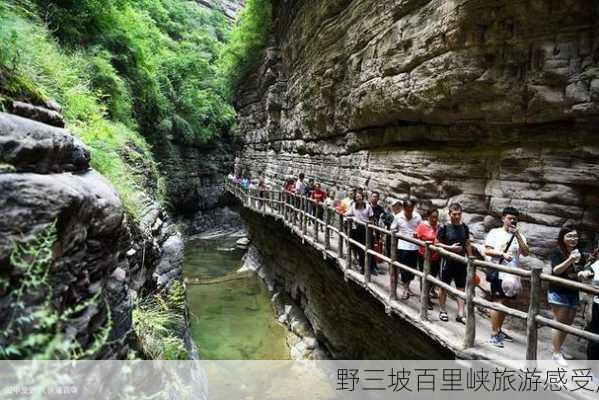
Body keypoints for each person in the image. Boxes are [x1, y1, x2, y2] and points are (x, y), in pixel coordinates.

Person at [484, 207, 529, 348]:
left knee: (506, 303)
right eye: (510, 218)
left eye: (515, 219)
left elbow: (526, 253)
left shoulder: (519, 235)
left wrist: (518, 237)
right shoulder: (495, 233)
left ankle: (499, 330)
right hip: (499, 272)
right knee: (498, 302)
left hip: (513, 275)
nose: (512, 221)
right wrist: (502, 255)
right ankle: (493, 334)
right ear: (503, 218)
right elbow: (487, 250)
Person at [547, 226, 586, 367]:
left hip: (573, 291)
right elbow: (556, 271)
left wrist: (583, 273)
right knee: (560, 321)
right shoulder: (557, 251)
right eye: (569, 236)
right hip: (558, 290)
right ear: (562, 237)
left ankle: (558, 348)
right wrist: (570, 259)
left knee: (568, 322)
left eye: (575, 236)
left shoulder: (579, 252)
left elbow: (579, 270)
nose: (573, 239)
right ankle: (556, 353)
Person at [436, 202, 472, 324]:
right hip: (447, 261)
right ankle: (442, 310)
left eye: (459, 214)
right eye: (454, 214)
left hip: (461, 261)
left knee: (461, 288)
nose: (457, 216)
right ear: (450, 214)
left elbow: (467, 243)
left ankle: (461, 314)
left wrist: (470, 257)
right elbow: (436, 244)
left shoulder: (465, 227)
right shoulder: (444, 227)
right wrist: (450, 248)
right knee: (444, 286)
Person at [391, 197, 422, 300]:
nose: (409, 212)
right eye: (407, 209)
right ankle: (405, 290)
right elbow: (392, 228)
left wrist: (417, 234)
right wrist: (397, 233)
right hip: (402, 246)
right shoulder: (398, 217)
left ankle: (407, 287)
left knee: (411, 269)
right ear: (404, 208)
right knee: (404, 269)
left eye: (411, 209)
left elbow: (421, 229)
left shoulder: (417, 217)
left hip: (414, 246)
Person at [415, 209, 441, 310]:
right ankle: (424, 298)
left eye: (436, 217)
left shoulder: (439, 227)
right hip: (424, 256)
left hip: (436, 257)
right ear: (428, 217)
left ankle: (427, 294)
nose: (434, 219)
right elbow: (417, 237)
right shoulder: (422, 226)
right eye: (432, 217)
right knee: (424, 277)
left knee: (432, 277)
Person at [345, 192, 374, 274]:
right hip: (356, 229)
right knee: (358, 248)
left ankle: (367, 267)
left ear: (362, 197)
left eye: (360, 196)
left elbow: (371, 219)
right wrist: (343, 213)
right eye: (357, 197)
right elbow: (348, 213)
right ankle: (362, 266)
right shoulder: (353, 206)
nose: (358, 198)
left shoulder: (368, 206)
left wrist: (365, 222)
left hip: (365, 229)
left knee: (365, 249)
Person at [578, 247, 599, 360]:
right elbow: (587, 273)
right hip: (597, 306)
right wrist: (583, 273)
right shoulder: (596, 265)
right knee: (594, 339)